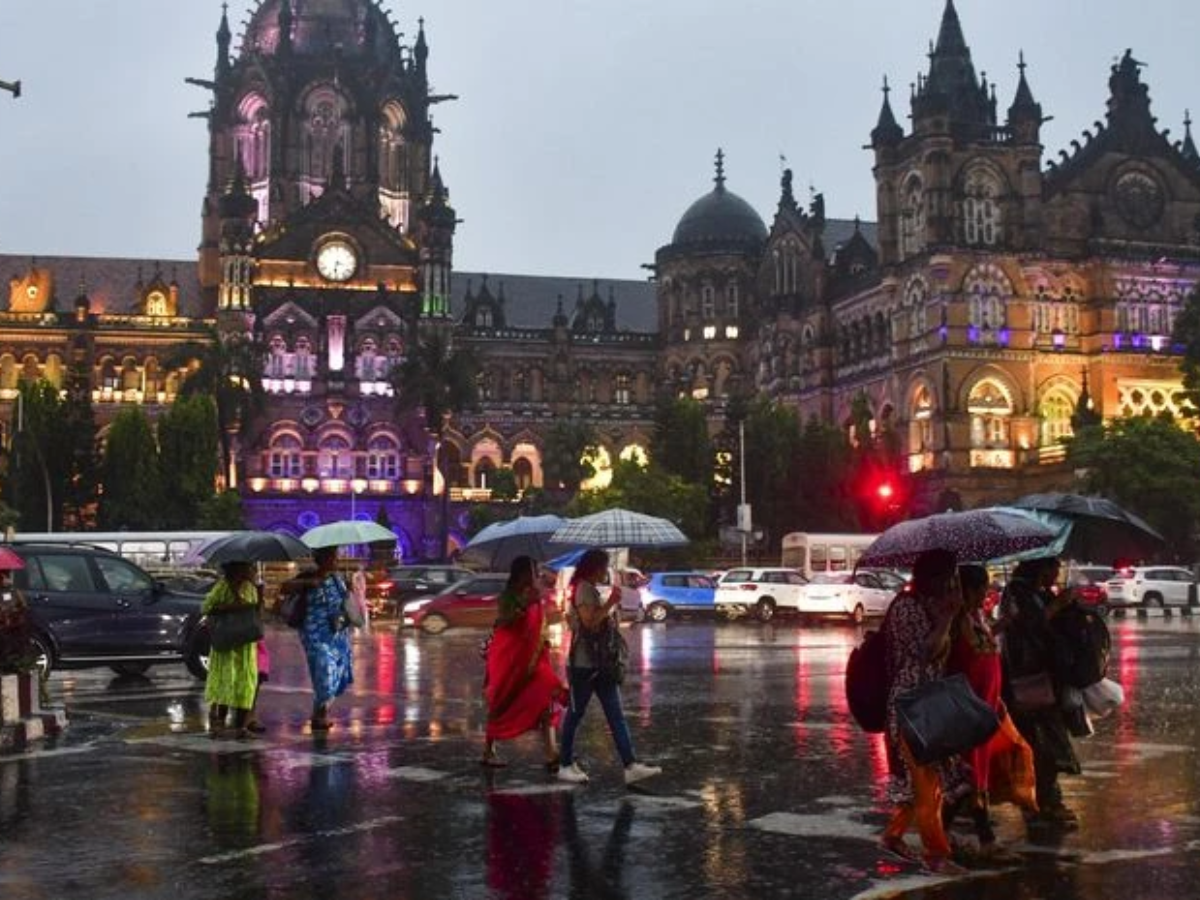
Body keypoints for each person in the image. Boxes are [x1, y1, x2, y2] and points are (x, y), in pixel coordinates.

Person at [879, 547, 968, 874]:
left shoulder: (929, 605)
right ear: (932, 577)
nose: (950, 584)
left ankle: (893, 835)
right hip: (912, 704)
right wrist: (945, 618)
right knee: (926, 781)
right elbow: (926, 652)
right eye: (947, 578)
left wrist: (953, 614)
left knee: (926, 780)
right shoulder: (906, 608)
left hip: (929, 700)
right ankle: (936, 855)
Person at [945, 564, 1035, 861]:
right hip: (967, 710)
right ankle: (983, 839)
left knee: (975, 775)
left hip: (986, 707)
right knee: (971, 775)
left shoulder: (976, 616)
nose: (987, 591)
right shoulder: (956, 619)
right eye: (982, 586)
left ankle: (946, 834)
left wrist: (1002, 625)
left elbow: (984, 645)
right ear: (968, 589)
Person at [557, 548, 661, 786]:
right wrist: (610, 604)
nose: (605, 571)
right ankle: (564, 764)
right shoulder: (584, 588)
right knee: (575, 715)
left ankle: (630, 765)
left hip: (600, 663)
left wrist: (610, 608)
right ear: (594, 567)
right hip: (584, 665)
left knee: (616, 716)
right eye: (603, 567)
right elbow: (589, 623)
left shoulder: (589, 588)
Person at [1000, 556, 1081, 831]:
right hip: (1028, 679)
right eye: (1053, 568)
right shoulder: (1018, 593)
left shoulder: (1038, 592)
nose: (1057, 573)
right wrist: (1057, 605)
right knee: (1040, 743)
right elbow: (1028, 626)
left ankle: (1046, 799)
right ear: (1041, 567)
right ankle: (1041, 802)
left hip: (1046, 677)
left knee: (1048, 741)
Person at [481, 555, 566, 771]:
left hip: (534, 662)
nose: (535, 574)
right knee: (501, 704)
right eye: (531, 570)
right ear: (520, 574)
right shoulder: (508, 597)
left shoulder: (536, 595)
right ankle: (488, 751)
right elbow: (504, 622)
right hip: (509, 661)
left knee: (547, 699)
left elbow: (540, 625)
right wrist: (524, 604)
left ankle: (551, 753)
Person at [202, 561, 260, 739]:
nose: (252, 570)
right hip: (226, 643)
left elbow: (256, 608)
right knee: (225, 682)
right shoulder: (222, 587)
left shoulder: (250, 588)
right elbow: (206, 608)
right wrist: (231, 606)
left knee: (245, 684)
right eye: (249, 567)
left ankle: (242, 726)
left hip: (244, 644)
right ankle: (219, 723)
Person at [299, 546, 355, 731]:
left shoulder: (337, 579)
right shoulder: (308, 576)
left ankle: (319, 713)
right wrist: (309, 583)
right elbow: (285, 587)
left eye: (336, 557)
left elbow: (344, 603)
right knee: (324, 670)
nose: (335, 560)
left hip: (336, 632)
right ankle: (319, 714)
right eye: (332, 557)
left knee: (337, 672)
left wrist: (349, 590)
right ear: (321, 559)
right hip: (314, 632)